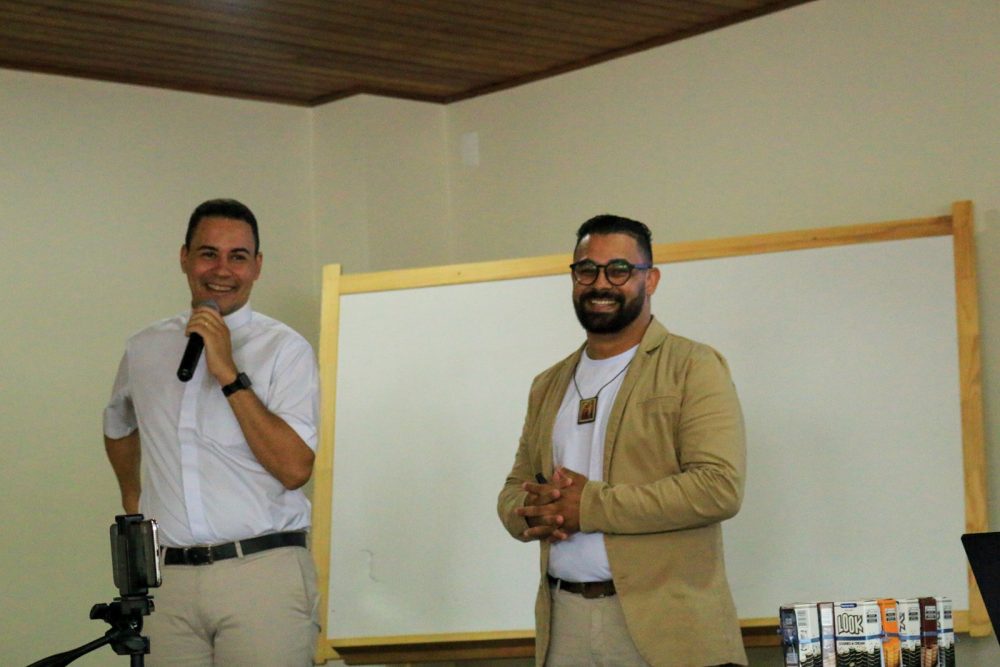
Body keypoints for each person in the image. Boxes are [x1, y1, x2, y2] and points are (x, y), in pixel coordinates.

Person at [497, 214, 747, 667]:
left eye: (618, 270)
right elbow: (515, 488)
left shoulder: (693, 365)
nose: (600, 283)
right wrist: (534, 511)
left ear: (650, 280)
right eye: (586, 270)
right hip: (563, 622)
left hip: (666, 624)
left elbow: (718, 488)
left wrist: (589, 506)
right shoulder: (548, 384)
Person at [103, 199, 321, 666]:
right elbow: (118, 424)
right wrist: (133, 500)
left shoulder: (285, 350)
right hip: (170, 582)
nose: (222, 270)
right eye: (208, 254)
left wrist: (227, 372)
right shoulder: (145, 348)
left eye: (237, 257)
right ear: (184, 258)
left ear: (257, 266)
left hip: (261, 573)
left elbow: (294, 468)